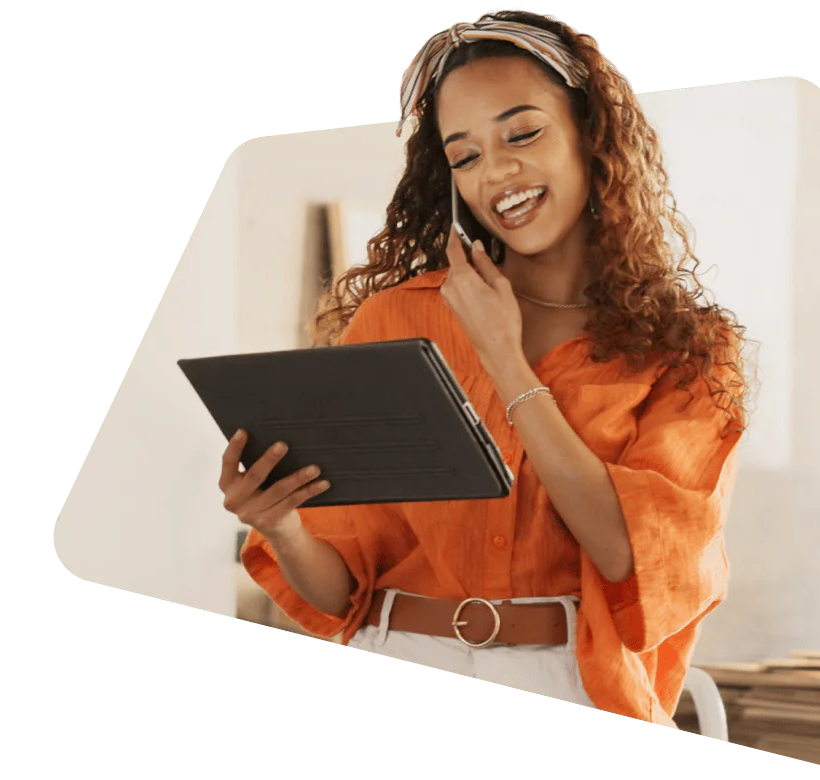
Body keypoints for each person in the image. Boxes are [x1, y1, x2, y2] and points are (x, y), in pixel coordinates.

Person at [224, 9, 752, 730]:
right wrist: (283, 527)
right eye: (464, 155)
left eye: (523, 133)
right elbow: (340, 590)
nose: (497, 172)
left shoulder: (689, 350)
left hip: (567, 682)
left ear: (591, 132)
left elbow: (633, 554)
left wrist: (504, 358)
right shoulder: (397, 321)